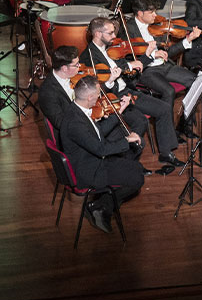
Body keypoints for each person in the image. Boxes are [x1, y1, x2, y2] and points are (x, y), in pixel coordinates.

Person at [80, 17, 181, 170]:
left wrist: (147, 56)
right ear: (98, 34)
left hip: (127, 91)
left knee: (164, 108)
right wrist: (112, 80)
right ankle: (129, 163)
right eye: (110, 33)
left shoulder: (110, 49)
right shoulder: (89, 57)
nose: (115, 36)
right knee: (140, 121)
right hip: (112, 99)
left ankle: (166, 153)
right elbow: (95, 91)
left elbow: (130, 69)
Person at [58, 77, 146, 234]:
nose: (100, 97)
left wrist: (118, 111)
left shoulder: (77, 110)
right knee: (137, 179)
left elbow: (97, 134)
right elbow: (101, 149)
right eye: (98, 94)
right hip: (88, 171)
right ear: (90, 97)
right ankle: (100, 207)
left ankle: (100, 206)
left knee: (137, 167)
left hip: (90, 160)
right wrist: (127, 139)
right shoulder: (75, 123)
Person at [119, 0, 200, 108]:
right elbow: (128, 58)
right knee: (169, 91)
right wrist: (152, 55)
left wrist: (188, 39)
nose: (155, 15)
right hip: (146, 71)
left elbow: (168, 53)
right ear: (140, 13)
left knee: (196, 82)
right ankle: (166, 123)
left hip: (164, 66)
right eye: (151, 12)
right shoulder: (127, 30)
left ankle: (186, 122)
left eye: (155, 12)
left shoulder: (158, 25)